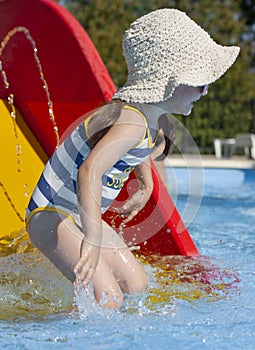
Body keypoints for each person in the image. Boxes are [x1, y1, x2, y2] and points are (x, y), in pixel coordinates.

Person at [26, 8, 240, 309]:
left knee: (137, 285)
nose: (205, 92)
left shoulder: (150, 121)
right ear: (170, 82)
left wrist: (146, 184)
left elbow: (135, 151)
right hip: (52, 212)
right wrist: (93, 236)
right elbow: (90, 171)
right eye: (201, 82)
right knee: (108, 299)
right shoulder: (132, 122)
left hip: (75, 215)